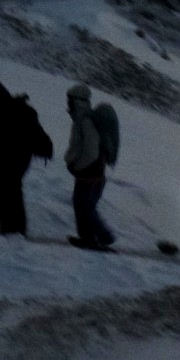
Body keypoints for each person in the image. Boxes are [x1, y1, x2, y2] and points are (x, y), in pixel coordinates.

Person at [0, 77, 50, 236]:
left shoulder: (7, 109)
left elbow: (9, 138)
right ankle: (15, 229)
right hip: (14, 157)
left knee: (3, 193)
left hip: (17, 157)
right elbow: (0, 140)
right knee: (10, 192)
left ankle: (11, 229)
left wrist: (5, 158)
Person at [64, 84, 117, 251]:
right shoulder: (83, 119)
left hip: (90, 172)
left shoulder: (85, 120)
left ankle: (103, 236)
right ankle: (87, 238)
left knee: (85, 206)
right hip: (92, 172)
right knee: (81, 205)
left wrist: (77, 166)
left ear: (78, 101)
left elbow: (91, 149)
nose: (68, 103)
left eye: (70, 99)